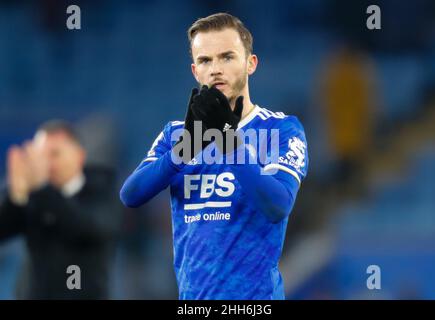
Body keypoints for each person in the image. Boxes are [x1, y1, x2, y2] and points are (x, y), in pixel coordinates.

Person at [120, 13, 309, 300]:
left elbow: (277, 205)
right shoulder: (177, 135)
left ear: (250, 63)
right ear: (195, 71)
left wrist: (227, 140)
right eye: (206, 61)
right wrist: (186, 149)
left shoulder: (280, 129)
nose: (216, 69)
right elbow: (131, 195)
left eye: (227, 57)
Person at [0, 120, 122, 299]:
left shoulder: (103, 190)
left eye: (54, 154)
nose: (47, 164)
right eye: (41, 156)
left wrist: (41, 188)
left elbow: (85, 227)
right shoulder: (33, 193)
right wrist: (16, 196)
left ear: (79, 157)